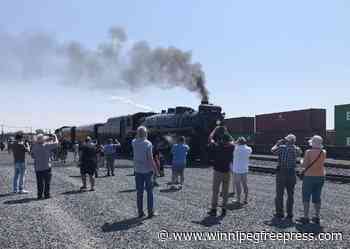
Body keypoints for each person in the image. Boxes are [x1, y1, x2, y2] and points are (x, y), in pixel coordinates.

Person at [271, 134, 302, 221]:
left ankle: (279, 213)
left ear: (287, 140)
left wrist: (277, 144)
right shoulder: (297, 149)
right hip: (292, 173)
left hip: (281, 172)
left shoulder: (281, 147)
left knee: (279, 194)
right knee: (290, 194)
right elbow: (299, 153)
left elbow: (272, 151)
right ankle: (289, 213)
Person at [132, 126, 159, 218]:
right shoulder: (148, 144)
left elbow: (135, 138)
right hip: (147, 170)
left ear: (138, 133)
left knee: (139, 192)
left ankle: (140, 212)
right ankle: (150, 212)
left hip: (137, 170)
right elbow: (150, 159)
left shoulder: (134, 142)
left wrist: (138, 133)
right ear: (146, 133)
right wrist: (155, 169)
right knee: (149, 192)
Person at [299, 135, 326, 225]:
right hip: (321, 176)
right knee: (317, 196)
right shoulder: (323, 152)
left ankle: (306, 217)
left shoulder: (308, 152)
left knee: (306, 196)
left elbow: (304, 165)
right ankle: (317, 216)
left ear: (312, 142)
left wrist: (301, 161)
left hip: (309, 176)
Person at [207, 133, 234, 217]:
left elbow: (210, 138)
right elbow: (232, 140)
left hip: (218, 172)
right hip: (227, 172)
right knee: (225, 192)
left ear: (222, 140)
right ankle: (224, 210)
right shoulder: (232, 147)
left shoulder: (217, 146)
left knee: (215, 191)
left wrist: (215, 130)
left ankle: (214, 210)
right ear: (229, 140)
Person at [31, 134, 59, 199]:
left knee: (39, 183)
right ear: (43, 139)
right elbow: (56, 143)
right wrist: (55, 136)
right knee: (47, 182)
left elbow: (32, 156)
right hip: (47, 167)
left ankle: (39, 195)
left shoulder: (34, 147)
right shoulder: (47, 145)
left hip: (38, 167)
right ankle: (47, 195)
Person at [231, 137, 252, 204]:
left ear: (238, 142)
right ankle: (245, 199)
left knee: (238, 185)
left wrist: (235, 143)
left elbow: (232, 144)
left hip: (236, 169)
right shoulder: (249, 149)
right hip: (245, 169)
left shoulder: (235, 148)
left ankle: (238, 199)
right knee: (245, 184)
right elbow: (246, 147)